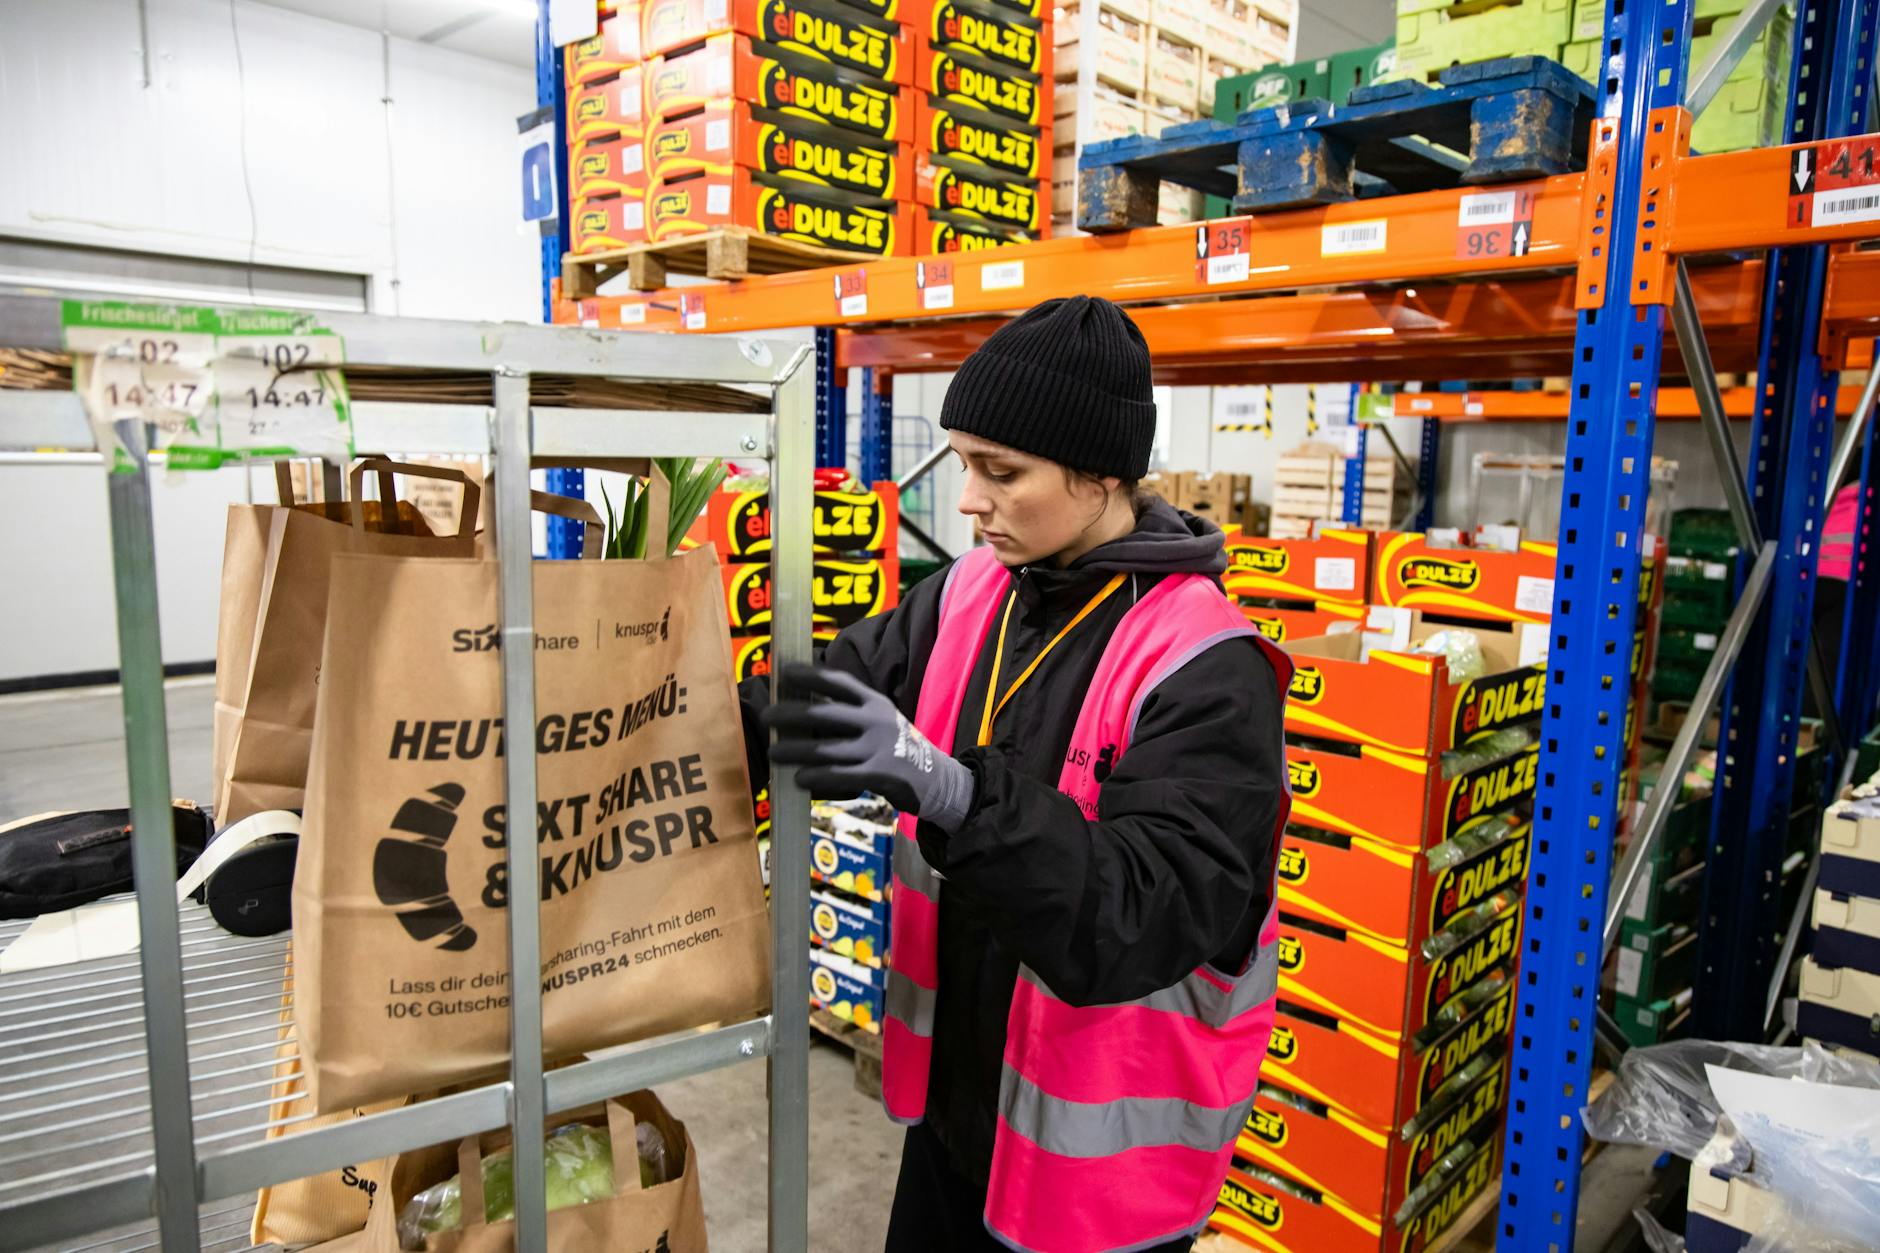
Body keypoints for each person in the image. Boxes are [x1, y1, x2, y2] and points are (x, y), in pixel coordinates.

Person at [754, 296, 1291, 1253]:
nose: (967, 499)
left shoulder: (1208, 664)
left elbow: (1145, 910)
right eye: (965, 462)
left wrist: (953, 790)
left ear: (1102, 475)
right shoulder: (968, 594)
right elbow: (821, 704)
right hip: (956, 1122)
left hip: (1099, 1184)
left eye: (1002, 471)